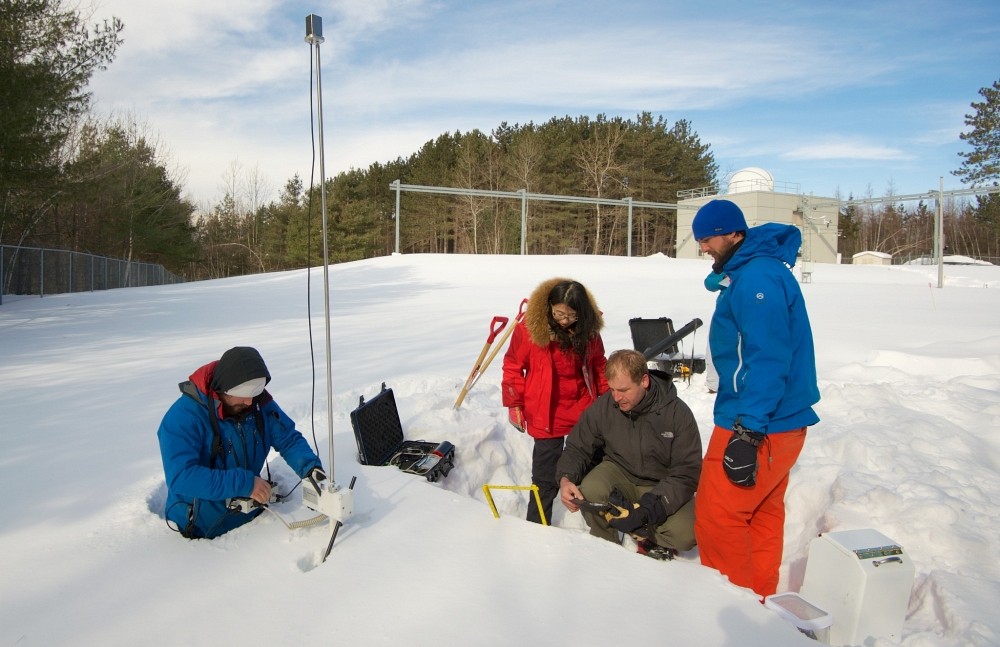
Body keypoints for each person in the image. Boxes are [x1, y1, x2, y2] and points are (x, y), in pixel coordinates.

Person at [690, 199, 820, 597]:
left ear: (734, 233)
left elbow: (767, 357)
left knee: (718, 517)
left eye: (708, 239)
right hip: (777, 421)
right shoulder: (753, 272)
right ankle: (760, 602)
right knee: (761, 512)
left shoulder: (758, 279)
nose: (703, 248)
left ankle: (733, 609)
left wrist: (747, 432)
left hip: (758, 422)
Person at [157, 346, 325, 539]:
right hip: (201, 530)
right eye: (244, 395)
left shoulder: (256, 402)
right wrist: (246, 483)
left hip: (253, 517)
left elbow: (287, 438)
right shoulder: (182, 418)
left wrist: (311, 470)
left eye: (254, 395)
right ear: (224, 390)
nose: (249, 402)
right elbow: (182, 477)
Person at [556, 349, 701, 555]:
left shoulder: (677, 414)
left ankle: (647, 536)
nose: (616, 397)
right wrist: (565, 479)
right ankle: (605, 545)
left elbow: (687, 472)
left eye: (623, 390)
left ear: (644, 381)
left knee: (686, 534)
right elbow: (578, 446)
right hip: (621, 473)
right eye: (612, 389)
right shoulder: (605, 406)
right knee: (590, 488)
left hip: (661, 485)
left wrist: (650, 508)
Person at [502, 278, 609, 525]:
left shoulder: (589, 330)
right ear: (549, 306)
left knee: (592, 465)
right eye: (559, 313)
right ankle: (537, 526)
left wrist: (609, 396)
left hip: (582, 406)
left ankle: (597, 525)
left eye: (571, 315)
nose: (563, 320)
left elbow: (598, 364)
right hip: (545, 410)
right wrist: (514, 403)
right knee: (544, 476)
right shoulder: (529, 329)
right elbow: (513, 366)